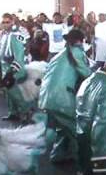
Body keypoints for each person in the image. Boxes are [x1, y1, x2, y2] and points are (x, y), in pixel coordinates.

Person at [38, 29, 92, 162]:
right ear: (80, 41)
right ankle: (84, 163)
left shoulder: (58, 55)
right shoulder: (77, 52)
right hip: (61, 98)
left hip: (46, 97)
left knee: (62, 127)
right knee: (77, 128)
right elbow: (87, 75)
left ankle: (58, 155)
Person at [0, 13, 31, 121]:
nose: (5, 24)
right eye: (3, 22)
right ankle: (12, 113)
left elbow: (19, 56)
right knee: (8, 92)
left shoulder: (16, 34)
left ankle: (26, 114)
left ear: (12, 22)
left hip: (13, 67)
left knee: (15, 92)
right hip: (4, 66)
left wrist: (12, 72)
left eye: (7, 22)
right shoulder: (3, 34)